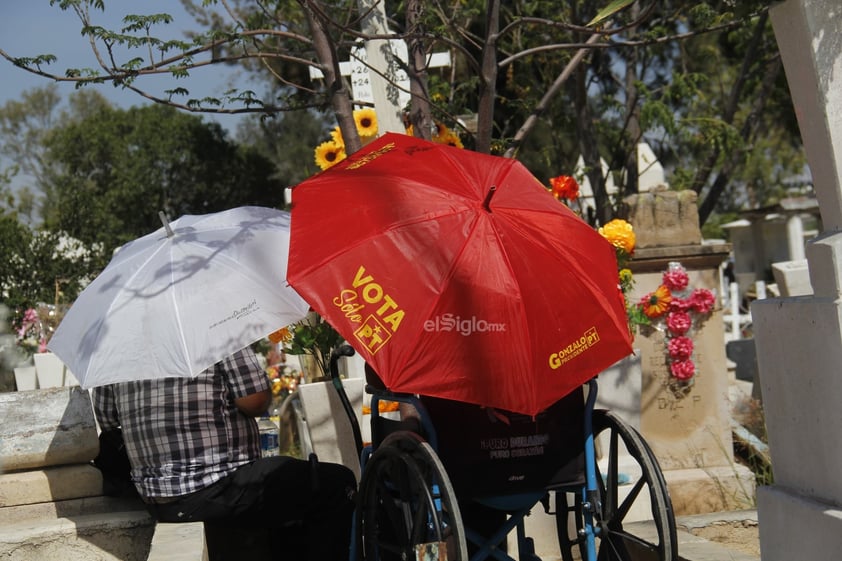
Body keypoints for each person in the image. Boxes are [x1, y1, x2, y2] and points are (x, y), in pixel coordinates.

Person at [92, 346, 356, 561]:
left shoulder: (116, 348)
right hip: (215, 487)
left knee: (285, 485)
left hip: (161, 497)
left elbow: (107, 418)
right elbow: (254, 401)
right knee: (336, 482)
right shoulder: (213, 329)